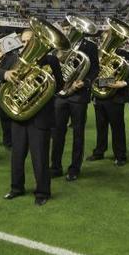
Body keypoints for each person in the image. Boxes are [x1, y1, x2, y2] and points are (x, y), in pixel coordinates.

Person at [3, 27, 64, 206]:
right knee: (17, 155)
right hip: (19, 115)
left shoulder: (50, 60)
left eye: (30, 40)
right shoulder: (13, 58)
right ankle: (16, 188)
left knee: (40, 157)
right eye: (23, 41)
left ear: (37, 41)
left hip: (40, 116)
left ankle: (43, 192)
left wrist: (45, 81)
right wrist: (5, 74)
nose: (26, 43)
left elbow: (59, 85)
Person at [51, 24, 99, 182]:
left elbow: (95, 69)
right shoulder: (59, 43)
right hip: (60, 93)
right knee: (57, 132)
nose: (70, 29)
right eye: (70, 26)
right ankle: (55, 167)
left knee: (78, 133)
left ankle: (74, 168)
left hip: (78, 95)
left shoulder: (90, 46)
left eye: (74, 27)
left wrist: (85, 82)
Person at [86, 43, 129, 167]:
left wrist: (123, 83)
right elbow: (92, 75)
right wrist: (109, 81)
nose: (106, 41)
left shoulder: (123, 54)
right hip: (100, 96)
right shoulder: (97, 54)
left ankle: (120, 155)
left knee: (117, 128)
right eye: (105, 39)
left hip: (116, 97)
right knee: (100, 127)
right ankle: (99, 152)